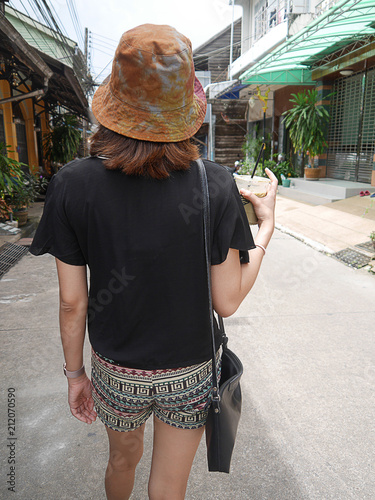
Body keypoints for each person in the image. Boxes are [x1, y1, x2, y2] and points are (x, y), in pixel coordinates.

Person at [30, 24, 277, 500]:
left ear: (115, 98)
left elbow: (70, 302)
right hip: (189, 370)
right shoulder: (216, 184)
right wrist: (264, 230)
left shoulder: (71, 184)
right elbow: (226, 302)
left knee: (122, 459)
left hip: (115, 368)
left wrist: (75, 374)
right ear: (185, 105)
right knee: (168, 488)